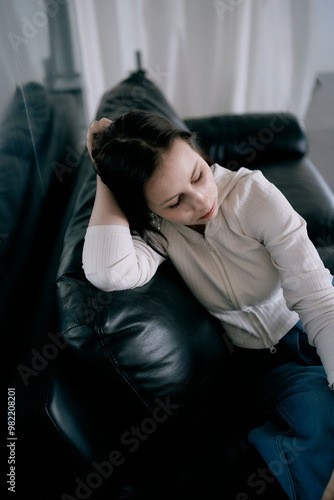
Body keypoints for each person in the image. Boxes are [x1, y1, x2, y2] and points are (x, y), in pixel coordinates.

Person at [82, 112, 334, 500]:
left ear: (198, 150)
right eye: (174, 201)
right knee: (319, 415)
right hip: (268, 363)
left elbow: (320, 303)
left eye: (197, 174)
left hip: (317, 320)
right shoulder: (158, 233)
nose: (201, 202)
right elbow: (108, 271)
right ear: (149, 208)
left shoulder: (253, 194)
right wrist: (105, 173)